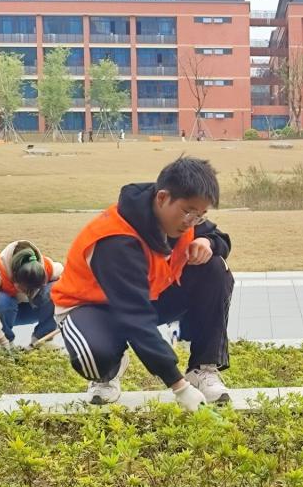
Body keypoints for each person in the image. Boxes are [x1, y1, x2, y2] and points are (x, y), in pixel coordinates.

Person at [51, 156, 234, 409]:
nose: (192, 222)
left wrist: (208, 243)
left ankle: (202, 369)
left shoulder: (184, 216)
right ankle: (109, 370)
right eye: (188, 212)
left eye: (200, 216)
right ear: (161, 198)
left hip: (148, 298)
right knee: (94, 356)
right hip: (92, 307)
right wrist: (179, 387)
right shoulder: (116, 240)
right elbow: (134, 317)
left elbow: (219, 237)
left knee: (214, 267)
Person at [0, 241, 62, 349]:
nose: (27, 292)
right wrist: (1, 339)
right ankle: (4, 343)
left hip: (34, 310)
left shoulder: (48, 268)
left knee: (56, 288)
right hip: (4, 313)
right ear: (14, 277)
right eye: (24, 289)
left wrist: (70, 315)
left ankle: (43, 340)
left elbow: (73, 286)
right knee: (1, 300)